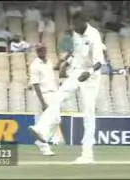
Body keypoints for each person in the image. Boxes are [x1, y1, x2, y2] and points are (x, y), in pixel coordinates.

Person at [29, 11, 104, 164]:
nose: (74, 27)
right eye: (73, 23)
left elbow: (99, 63)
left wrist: (88, 73)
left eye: (77, 24)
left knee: (88, 114)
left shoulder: (94, 35)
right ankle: (42, 130)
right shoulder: (75, 34)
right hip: (77, 72)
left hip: (91, 77)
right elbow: (75, 53)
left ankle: (87, 155)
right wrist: (67, 63)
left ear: (85, 21)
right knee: (58, 97)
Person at [29, 45, 59, 156]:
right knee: (48, 120)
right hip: (44, 95)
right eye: (39, 50)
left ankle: (40, 139)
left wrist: (62, 61)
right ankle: (44, 147)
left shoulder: (49, 62)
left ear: (46, 50)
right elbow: (35, 84)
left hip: (54, 94)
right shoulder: (35, 66)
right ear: (36, 52)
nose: (41, 52)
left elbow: (53, 71)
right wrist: (42, 102)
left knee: (56, 120)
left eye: (43, 50)